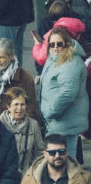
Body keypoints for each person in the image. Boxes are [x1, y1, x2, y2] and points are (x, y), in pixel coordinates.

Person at [38, 28, 89, 157]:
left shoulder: (70, 63)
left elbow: (68, 93)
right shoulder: (55, 58)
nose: (55, 47)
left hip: (64, 120)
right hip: (59, 121)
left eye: (59, 44)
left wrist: (50, 111)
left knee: (66, 159)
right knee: (63, 157)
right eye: (52, 44)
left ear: (67, 44)